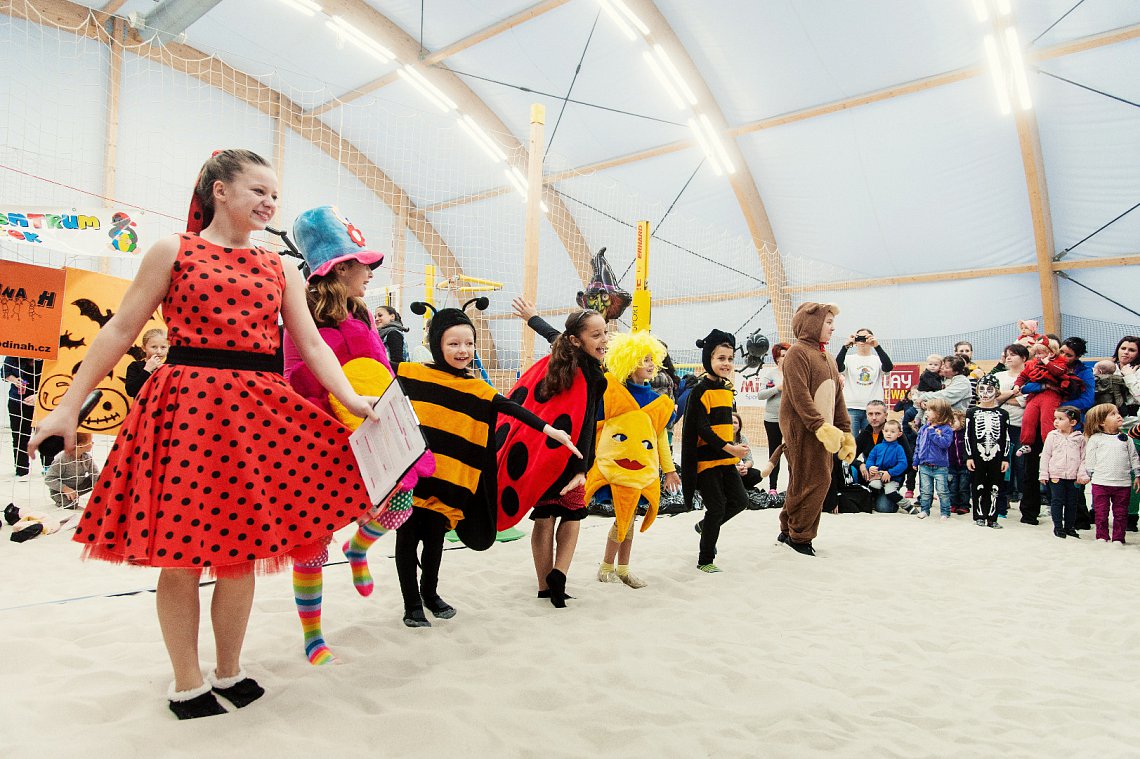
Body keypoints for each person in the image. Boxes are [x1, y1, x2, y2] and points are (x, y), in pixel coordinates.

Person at [28, 149, 382, 720]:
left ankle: (230, 668)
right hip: (186, 412)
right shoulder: (173, 250)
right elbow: (121, 328)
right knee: (182, 556)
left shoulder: (281, 268)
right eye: (258, 191)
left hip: (255, 413)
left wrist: (351, 398)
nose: (269, 203)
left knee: (242, 554)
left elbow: (313, 344)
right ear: (220, 190)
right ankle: (187, 681)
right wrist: (68, 405)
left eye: (275, 195)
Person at [281, 205, 426, 664]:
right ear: (341, 268)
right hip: (320, 440)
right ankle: (313, 636)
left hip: (373, 428)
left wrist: (397, 413)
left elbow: (382, 368)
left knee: (401, 500)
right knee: (310, 543)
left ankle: (358, 547)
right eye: (364, 265)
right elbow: (294, 379)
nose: (370, 273)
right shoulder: (301, 315)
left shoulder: (361, 313)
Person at [397, 299, 580, 624]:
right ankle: (412, 603)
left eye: (469, 343)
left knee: (435, 541)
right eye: (453, 343)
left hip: (449, 484)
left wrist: (550, 430)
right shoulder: (410, 374)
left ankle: (430, 594)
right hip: (412, 481)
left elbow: (513, 409)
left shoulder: (476, 388)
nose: (463, 350)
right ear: (437, 344)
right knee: (408, 539)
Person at [497, 298, 609, 608]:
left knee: (544, 517)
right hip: (571, 457)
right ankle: (560, 572)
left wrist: (532, 317)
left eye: (605, 332)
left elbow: (553, 335)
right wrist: (582, 468)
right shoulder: (592, 375)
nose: (604, 339)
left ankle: (544, 587)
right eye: (596, 335)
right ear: (577, 340)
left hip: (544, 455)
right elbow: (587, 424)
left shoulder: (561, 356)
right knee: (572, 515)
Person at [590, 331, 679, 589]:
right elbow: (597, 429)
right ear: (628, 363)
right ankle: (608, 567)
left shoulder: (656, 401)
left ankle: (621, 569)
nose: (651, 365)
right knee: (624, 517)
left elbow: (660, 438)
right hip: (617, 468)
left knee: (631, 517)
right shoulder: (612, 392)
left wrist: (669, 470)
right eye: (644, 360)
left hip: (642, 469)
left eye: (652, 359)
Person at [777, 303, 855, 556]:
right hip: (803, 430)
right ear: (812, 323)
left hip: (824, 431)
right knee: (814, 481)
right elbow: (799, 396)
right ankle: (800, 537)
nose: (833, 328)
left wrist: (845, 430)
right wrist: (819, 426)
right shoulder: (797, 353)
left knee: (805, 480)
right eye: (828, 322)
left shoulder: (828, 357)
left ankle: (788, 528)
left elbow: (837, 398)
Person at [683, 329, 751, 570]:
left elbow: (724, 426)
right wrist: (730, 448)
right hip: (707, 461)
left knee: (740, 501)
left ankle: (705, 526)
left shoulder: (726, 389)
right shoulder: (700, 390)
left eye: (730, 358)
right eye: (721, 358)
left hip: (726, 459)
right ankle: (705, 560)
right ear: (708, 359)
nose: (726, 363)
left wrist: (734, 448)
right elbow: (702, 429)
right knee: (717, 507)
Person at [1082, 404, 1140, 545]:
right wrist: (1090, 474)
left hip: (1123, 483)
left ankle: (1118, 538)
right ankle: (1101, 536)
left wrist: (1137, 475)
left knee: (1121, 513)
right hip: (1101, 483)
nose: (1119, 416)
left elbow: (1134, 457)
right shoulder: (1095, 439)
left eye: (1118, 413)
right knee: (1101, 512)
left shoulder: (1126, 438)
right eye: (1113, 414)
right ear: (1102, 422)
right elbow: (1090, 459)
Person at [964, 375, 1010, 529]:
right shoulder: (971, 412)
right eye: (982, 389)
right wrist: (969, 456)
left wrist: (1005, 458)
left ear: (996, 391)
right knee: (977, 485)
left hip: (997, 455)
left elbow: (1006, 438)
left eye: (989, 390)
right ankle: (979, 515)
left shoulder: (1003, 414)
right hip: (977, 455)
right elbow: (967, 436)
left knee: (995, 486)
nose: (985, 393)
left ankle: (992, 517)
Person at [1039, 406, 1089, 539]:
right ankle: (1058, 527)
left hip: (1073, 477)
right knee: (1057, 501)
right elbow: (1046, 455)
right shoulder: (1052, 436)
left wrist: (1081, 474)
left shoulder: (1080, 438)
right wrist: (1043, 473)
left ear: (1073, 422)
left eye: (1061, 419)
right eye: (1055, 418)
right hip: (1056, 475)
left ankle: (1070, 527)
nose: (1056, 421)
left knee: (1072, 503)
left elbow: (1084, 458)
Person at [835, 327, 894, 438]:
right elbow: (837, 367)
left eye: (865, 338)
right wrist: (846, 346)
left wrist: (876, 346)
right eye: (859, 338)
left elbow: (888, 367)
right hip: (851, 407)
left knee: (872, 442)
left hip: (873, 408)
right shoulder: (849, 359)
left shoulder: (877, 360)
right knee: (850, 442)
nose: (862, 341)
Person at [994, 344, 1029, 514]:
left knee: (1020, 464)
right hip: (1000, 425)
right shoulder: (998, 376)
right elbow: (993, 398)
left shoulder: (1029, 377)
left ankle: (1023, 499)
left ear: (1024, 358)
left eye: (1013, 355)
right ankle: (1003, 500)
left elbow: (1026, 401)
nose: (1008, 358)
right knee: (1002, 464)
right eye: (1007, 354)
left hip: (1021, 425)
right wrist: (1013, 393)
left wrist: (1003, 396)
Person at [753, 342, 789, 497]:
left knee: (793, 453)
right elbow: (761, 395)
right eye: (783, 356)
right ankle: (772, 487)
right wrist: (777, 388)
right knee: (774, 452)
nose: (786, 358)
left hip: (791, 420)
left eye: (788, 355)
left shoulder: (796, 373)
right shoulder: (771, 374)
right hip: (772, 419)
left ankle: (794, 486)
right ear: (777, 358)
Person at [914, 398, 954, 520]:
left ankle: (945, 512)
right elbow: (918, 445)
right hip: (924, 465)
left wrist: (933, 434)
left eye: (930, 410)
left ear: (940, 413)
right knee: (925, 491)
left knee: (942, 491)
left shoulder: (946, 429)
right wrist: (916, 460)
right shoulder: (923, 428)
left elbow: (945, 444)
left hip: (940, 466)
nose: (926, 412)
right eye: (926, 410)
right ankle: (925, 510)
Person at [2, 355, 40, 478]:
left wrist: (38, 396)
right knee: (20, 436)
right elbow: (4, 372)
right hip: (18, 401)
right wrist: (15, 380)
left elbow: (54, 379)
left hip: (41, 401)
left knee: (45, 435)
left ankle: (48, 466)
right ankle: (21, 469)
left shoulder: (49, 355)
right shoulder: (14, 353)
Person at [862, 420, 910, 512]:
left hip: (893, 478)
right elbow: (870, 459)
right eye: (886, 431)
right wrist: (870, 467)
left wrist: (890, 473)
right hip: (878, 476)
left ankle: (907, 506)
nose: (889, 434)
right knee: (873, 485)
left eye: (892, 432)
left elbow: (903, 464)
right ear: (883, 432)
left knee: (890, 491)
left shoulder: (899, 448)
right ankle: (871, 502)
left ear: (899, 434)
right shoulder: (878, 447)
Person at [44, 432, 99, 508]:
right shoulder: (62, 459)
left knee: (100, 478)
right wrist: (66, 489)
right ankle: (62, 499)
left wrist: (99, 490)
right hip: (60, 490)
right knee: (71, 505)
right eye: (91, 441)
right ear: (80, 445)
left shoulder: (87, 458)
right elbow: (48, 479)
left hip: (79, 486)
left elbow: (95, 474)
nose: (93, 443)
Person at [124, 328, 168, 398]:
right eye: (154, 347)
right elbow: (131, 391)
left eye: (163, 347)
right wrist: (147, 370)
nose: (159, 351)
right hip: (142, 404)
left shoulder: (169, 368)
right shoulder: (135, 366)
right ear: (144, 348)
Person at [947, 411, 971, 515]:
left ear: (961, 421)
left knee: (963, 487)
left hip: (964, 465)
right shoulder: (948, 434)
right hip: (951, 465)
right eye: (949, 421)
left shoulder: (965, 434)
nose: (951, 423)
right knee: (952, 486)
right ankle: (953, 504)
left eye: (954, 421)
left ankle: (964, 505)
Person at [1110, 336, 1140, 415]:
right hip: (1111, 416)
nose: (1126, 352)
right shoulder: (1106, 368)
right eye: (1123, 348)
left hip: (1134, 417)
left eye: (1132, 350)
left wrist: (1129, 376)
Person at [375, 305, 409, 370]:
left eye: (380, 315)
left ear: (392, 317)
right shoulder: (383, 334)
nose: (376, 319)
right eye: (375, 317)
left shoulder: (393, 333)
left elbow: (397, 362)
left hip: (392, 374)